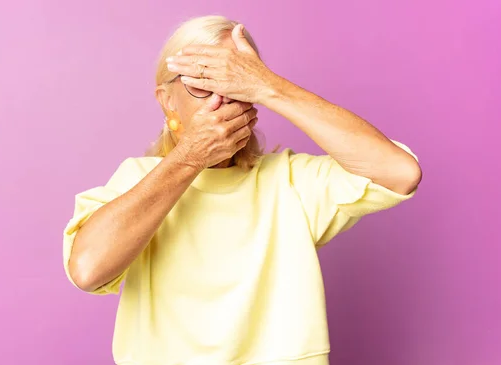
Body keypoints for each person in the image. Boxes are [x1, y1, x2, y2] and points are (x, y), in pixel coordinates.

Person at [62, 15, 422, 365]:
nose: (223, 99)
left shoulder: (290, 182)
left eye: (235, 82)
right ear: (167, 99)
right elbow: (88, 269)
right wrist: (189, 158)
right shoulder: (137, 179)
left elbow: (399, 172)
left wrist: (269, 86)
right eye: (203, 82)